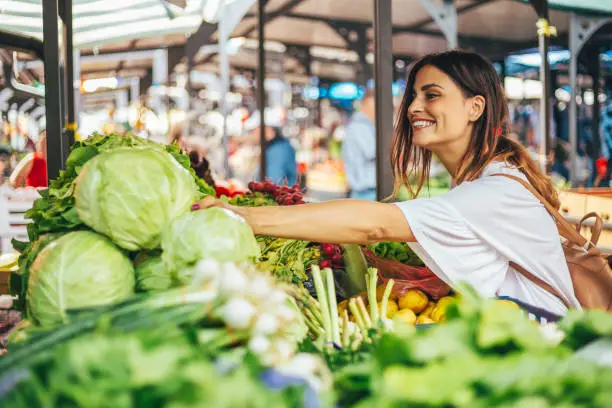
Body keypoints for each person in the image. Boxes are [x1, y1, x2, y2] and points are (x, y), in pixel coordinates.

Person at [193, 50, 579, 315]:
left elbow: (375, 223)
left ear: (475, 107)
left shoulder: (495, 189)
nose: (413, 107)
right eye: (412, 96)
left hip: (546, 351)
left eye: (432, 95)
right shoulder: (488, 179)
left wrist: (241, 215)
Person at [243, 109, 297, 186]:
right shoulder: (276, 147)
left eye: (254, 130)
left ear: (266, 129)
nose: (253, 134)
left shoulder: (278, 150)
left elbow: (273, 183)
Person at [342, 90, 376, 200]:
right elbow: (375, 152)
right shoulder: (361, 126)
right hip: (366, 192)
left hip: (363, 192)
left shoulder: (358, 125)